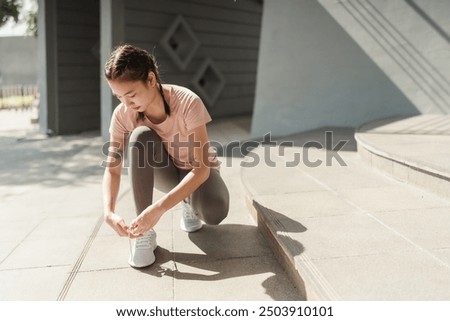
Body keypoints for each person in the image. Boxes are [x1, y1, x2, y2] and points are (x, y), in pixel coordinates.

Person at [102, 44, 230, 268]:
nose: (125, 103)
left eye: (130, 95)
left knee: (215, 212)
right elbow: (112, 168)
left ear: (151, 79)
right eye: (118, 96)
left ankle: (188, 202)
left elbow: (201, 169)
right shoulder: (122, 114)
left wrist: (159, 209)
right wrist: (109, 211)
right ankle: (143, 234)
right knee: (140, 136)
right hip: (165, 173)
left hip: (196, 172)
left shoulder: (188, 102)